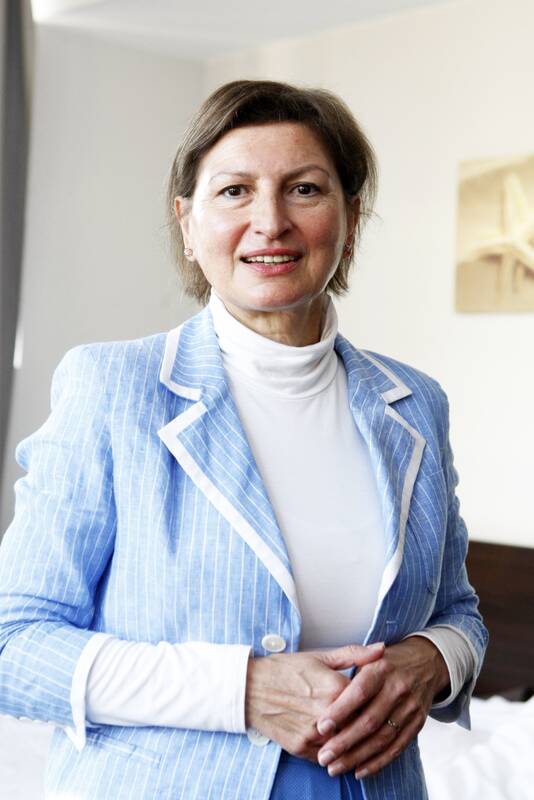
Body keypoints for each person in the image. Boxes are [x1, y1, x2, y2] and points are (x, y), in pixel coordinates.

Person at [0, 80, 487, 800]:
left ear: (351, 218)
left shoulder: (416, 404)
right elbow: (14, 647)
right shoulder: (112, 388)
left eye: (304, 189)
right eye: (234, 191)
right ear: (188, 224)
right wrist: (245, 690)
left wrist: (432, 658)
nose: (270, 222)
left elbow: (459, 612)